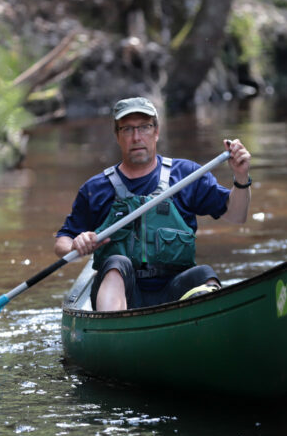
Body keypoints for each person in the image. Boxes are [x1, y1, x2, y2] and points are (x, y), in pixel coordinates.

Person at [54, 97, 252, 311]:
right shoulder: (96, 188)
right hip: (122, 295)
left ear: (156, 132)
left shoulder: (187, 175)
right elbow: (62, 242)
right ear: (117, 136)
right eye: (127, 129)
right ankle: (115, 331)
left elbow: (236, 215)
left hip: (174, 292)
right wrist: (75, 244)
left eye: (144, 127)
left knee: (204, 274)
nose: (136, 137)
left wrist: (241, 177)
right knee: (115, 264)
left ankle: (206, 321)